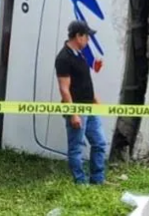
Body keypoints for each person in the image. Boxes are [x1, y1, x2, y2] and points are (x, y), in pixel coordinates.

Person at [55, 21, 106, 185]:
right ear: (78, 36)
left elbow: (84, 80)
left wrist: (95, 98)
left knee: (99, 143)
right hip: (77, 108)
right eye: (87, 36)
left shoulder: (80, 54)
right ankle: (80, 183)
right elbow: (64, 88)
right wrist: (73, 114)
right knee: (76, 148)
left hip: (89, 107)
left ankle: (97, 180)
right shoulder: (64, 58)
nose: (88, 40)